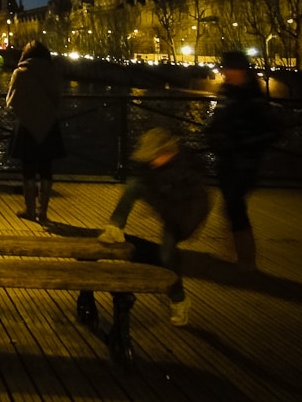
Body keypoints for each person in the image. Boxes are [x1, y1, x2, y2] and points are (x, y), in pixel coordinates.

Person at [97, 127, 210, 326]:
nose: (152, 161)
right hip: (163, 201)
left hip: (182, 215)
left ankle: (179, 300)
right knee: (134, 185)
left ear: (170, 152)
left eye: (156, 156)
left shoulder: (187, 170)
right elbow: (142, 181)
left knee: (167, 256)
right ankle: (114, 227)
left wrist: (178, 225)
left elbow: (198, 204)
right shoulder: (152, 167)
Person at [204, 50, 280, 270]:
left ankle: (246, 260)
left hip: (245, 161)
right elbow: (219, 121)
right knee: (230, 205)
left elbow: (271, 130)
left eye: (228, 69)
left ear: (239, 70)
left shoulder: (252, 98)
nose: (224, 73)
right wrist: (214, 136)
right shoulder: (228, 92)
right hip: (227, 159)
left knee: (235, 206)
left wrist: (244, 144)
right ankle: (237, 255)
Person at [6, 40, 64, 224]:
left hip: (27, 125)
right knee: (46, 169)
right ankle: (43, 213)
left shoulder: (21, 72)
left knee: (28, 169)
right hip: (49, 125)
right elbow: (58, 98)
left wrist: (24, 113)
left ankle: (30, 210)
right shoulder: (53, 72)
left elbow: (12, 102)